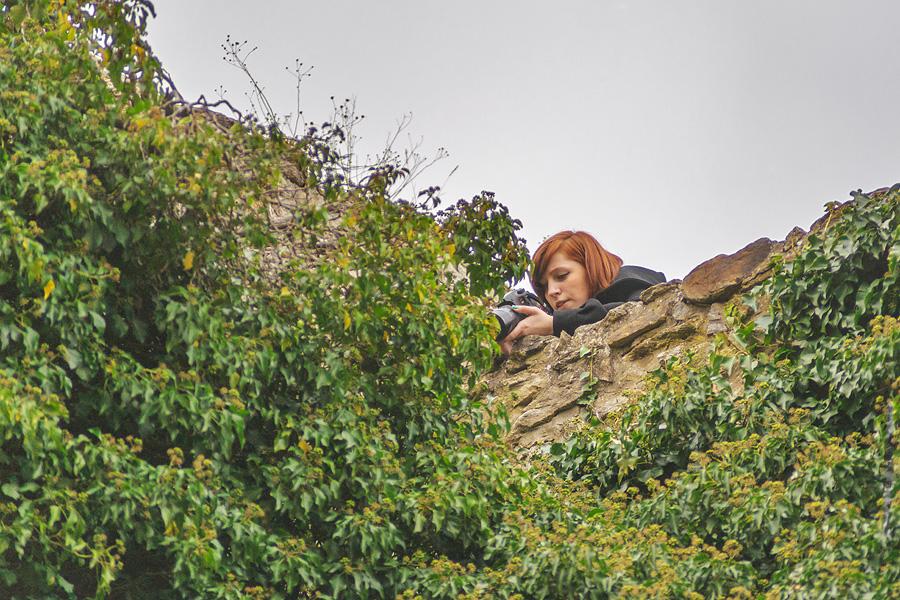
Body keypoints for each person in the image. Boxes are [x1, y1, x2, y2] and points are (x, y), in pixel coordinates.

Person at [499, 231, 666, 354]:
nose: (551, 292)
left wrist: (555, 324)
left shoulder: (630, 278)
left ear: (590, 266)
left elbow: (641, 312)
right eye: (544, 287)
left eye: (562, 276)